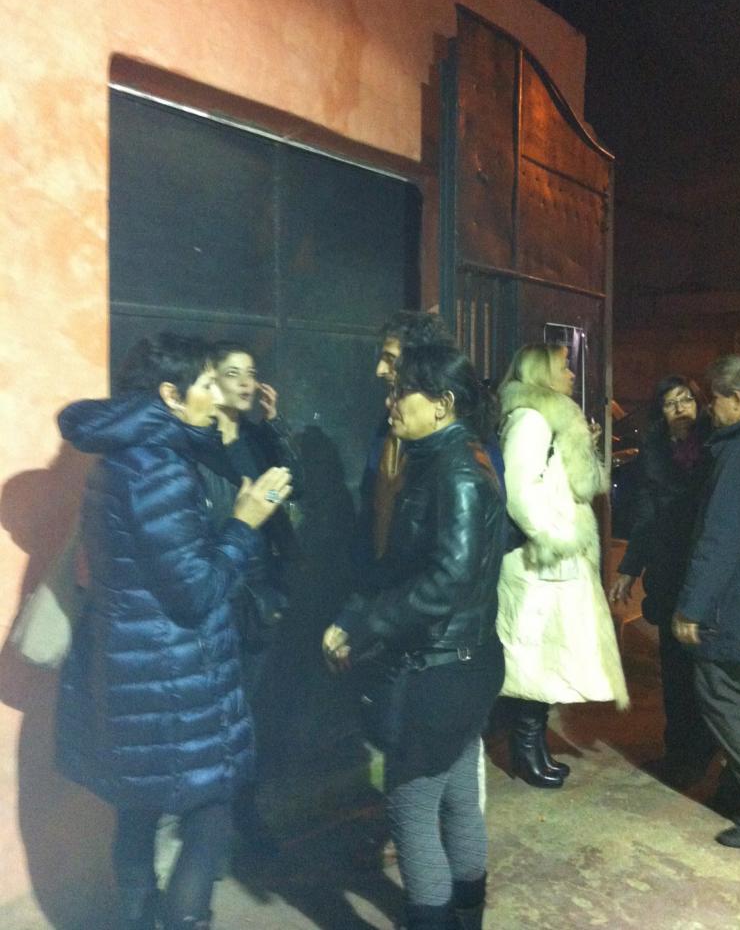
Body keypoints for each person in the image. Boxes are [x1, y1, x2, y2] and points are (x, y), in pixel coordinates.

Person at [55, 332, 292, 930]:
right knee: (210, 815)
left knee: (137, 811)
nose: (217, 395)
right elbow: (197, 591)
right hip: (173, 673)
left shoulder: (125, 455)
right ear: (170, 393)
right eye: (208, 383)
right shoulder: (158, 468)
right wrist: (244, 523)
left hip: (130, 666)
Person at [324, 343, 506, 930]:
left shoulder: (455, 473)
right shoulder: (452, 459)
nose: (391, 402)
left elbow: (447, 579)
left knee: (412, 809)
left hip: (438, 671)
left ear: (442, 403)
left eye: (402, 391)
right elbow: (412, 567)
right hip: (463, 663)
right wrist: (358, 613)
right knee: (457, 797)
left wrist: (364, 624)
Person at [496, 343, 629, 789]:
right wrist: (554, 536)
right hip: (537, 563)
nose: (571, 374)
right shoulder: (532, 420)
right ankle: (525, 750)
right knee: (531, 656)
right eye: (563, 367)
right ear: (542, 373)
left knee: (545, 656)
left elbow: (571, 483)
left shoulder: (549, 418)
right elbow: (519, 490)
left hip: (550, 565)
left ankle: (534, 748)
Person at [200, 341, 304, 851]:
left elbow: (297, 485)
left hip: (261, 596)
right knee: (216, 717)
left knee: (251, 714)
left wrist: (276, 425)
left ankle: (244, 816)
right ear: (210, 380)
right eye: (232, 373)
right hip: (220, 593)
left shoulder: (258, 439)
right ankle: (211, 827)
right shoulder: (197, 445)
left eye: (250, 373)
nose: (245, 382)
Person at [609, 375, 715, 784]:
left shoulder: (715, 446)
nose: (680, 408)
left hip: (709, 571)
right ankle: (681, 754)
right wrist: (629, 567)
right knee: (673, 667)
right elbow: (646, 515)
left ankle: (711, 750)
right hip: (671, 570)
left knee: (708, 669)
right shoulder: (655, 451)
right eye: (671, 403)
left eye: (686, 399)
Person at [672, 354, 740, 848]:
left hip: (733, 604)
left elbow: (720, 539)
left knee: (719, 692)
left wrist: (691, 608)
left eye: (714, 399)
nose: (708, 409)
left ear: (737, 399)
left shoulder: (738, 455)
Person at [357, 310, 454, 580]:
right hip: (383, 580)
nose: (379, 370)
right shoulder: (388, 425)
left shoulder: (460, 440)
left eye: (389, 359)